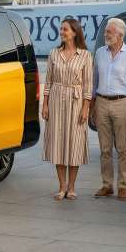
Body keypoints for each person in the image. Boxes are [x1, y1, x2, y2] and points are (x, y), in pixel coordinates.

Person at [41, 19, 94, 201]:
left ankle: (72, 186)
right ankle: (62, 186)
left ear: (74, 32)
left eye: (65, 29)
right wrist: (45, 104)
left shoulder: (86, 55)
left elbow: (88, 85)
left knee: (74, 143)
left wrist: (86, 108)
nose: (61, 31)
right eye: (61, 29)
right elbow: (47, 81)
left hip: (76, 101)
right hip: (56, 99)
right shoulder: (54, 53)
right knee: (58, 143)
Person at [91, 18, 126, 201]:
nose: (106, 34)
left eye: (109, 32)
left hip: (123, 103)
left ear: (120, 35)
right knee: (105, 148)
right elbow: (94, 80)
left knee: (122, 148)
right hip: (102, 102)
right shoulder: (99, 53)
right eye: (106, 31)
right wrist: (92, 105)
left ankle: (122, 186)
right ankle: (106, 185)